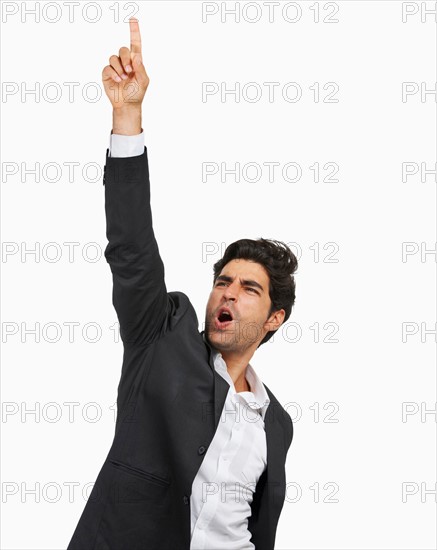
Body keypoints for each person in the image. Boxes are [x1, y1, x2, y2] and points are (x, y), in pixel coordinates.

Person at [67, 18, 297, 550]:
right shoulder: (161, 337)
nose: (228, 293)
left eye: (249, 289)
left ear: (273, 319)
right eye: (224, 281)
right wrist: (127, 116)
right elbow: (132, 250)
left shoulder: (277, 422)